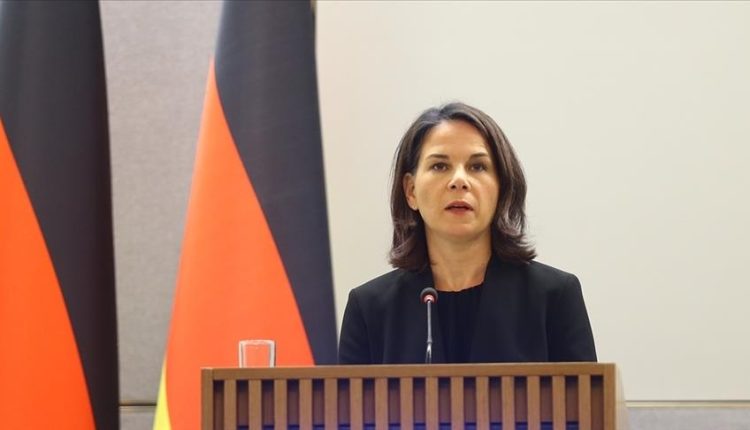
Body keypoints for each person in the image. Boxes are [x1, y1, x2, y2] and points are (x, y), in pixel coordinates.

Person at [338, 102, 597, 364]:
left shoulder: (554, 298)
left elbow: (584, 392)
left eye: (478, 167)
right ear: (411, 191)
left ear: (501, 188)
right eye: (440, 166)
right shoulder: (369, 310)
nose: (459, 181)